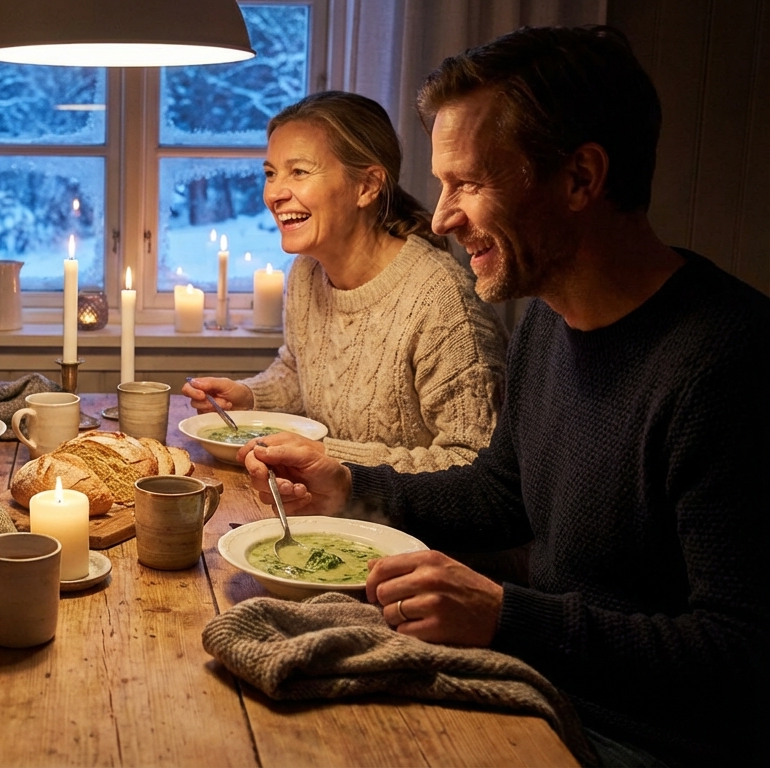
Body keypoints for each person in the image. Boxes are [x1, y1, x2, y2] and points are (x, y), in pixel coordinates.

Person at [239, 26, 766, 767]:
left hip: (642, 738)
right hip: (542, 686)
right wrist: (349, 486)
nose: (444, 217)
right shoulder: (550, 321)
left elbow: (741, 655)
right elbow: (501, 493)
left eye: (471, 183)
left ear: (582, 178)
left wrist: (506, 616)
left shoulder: (728, 364)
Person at [183, 91, 506, 473]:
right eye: (270, 173)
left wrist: (328, 456)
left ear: (367, 186)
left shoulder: (442, 302)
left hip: (411, 531)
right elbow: (300, 370)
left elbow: (473, 464)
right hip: (330, 514)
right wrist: (250, 397)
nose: (274, 193)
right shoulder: (307, 272)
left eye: (299, 172)